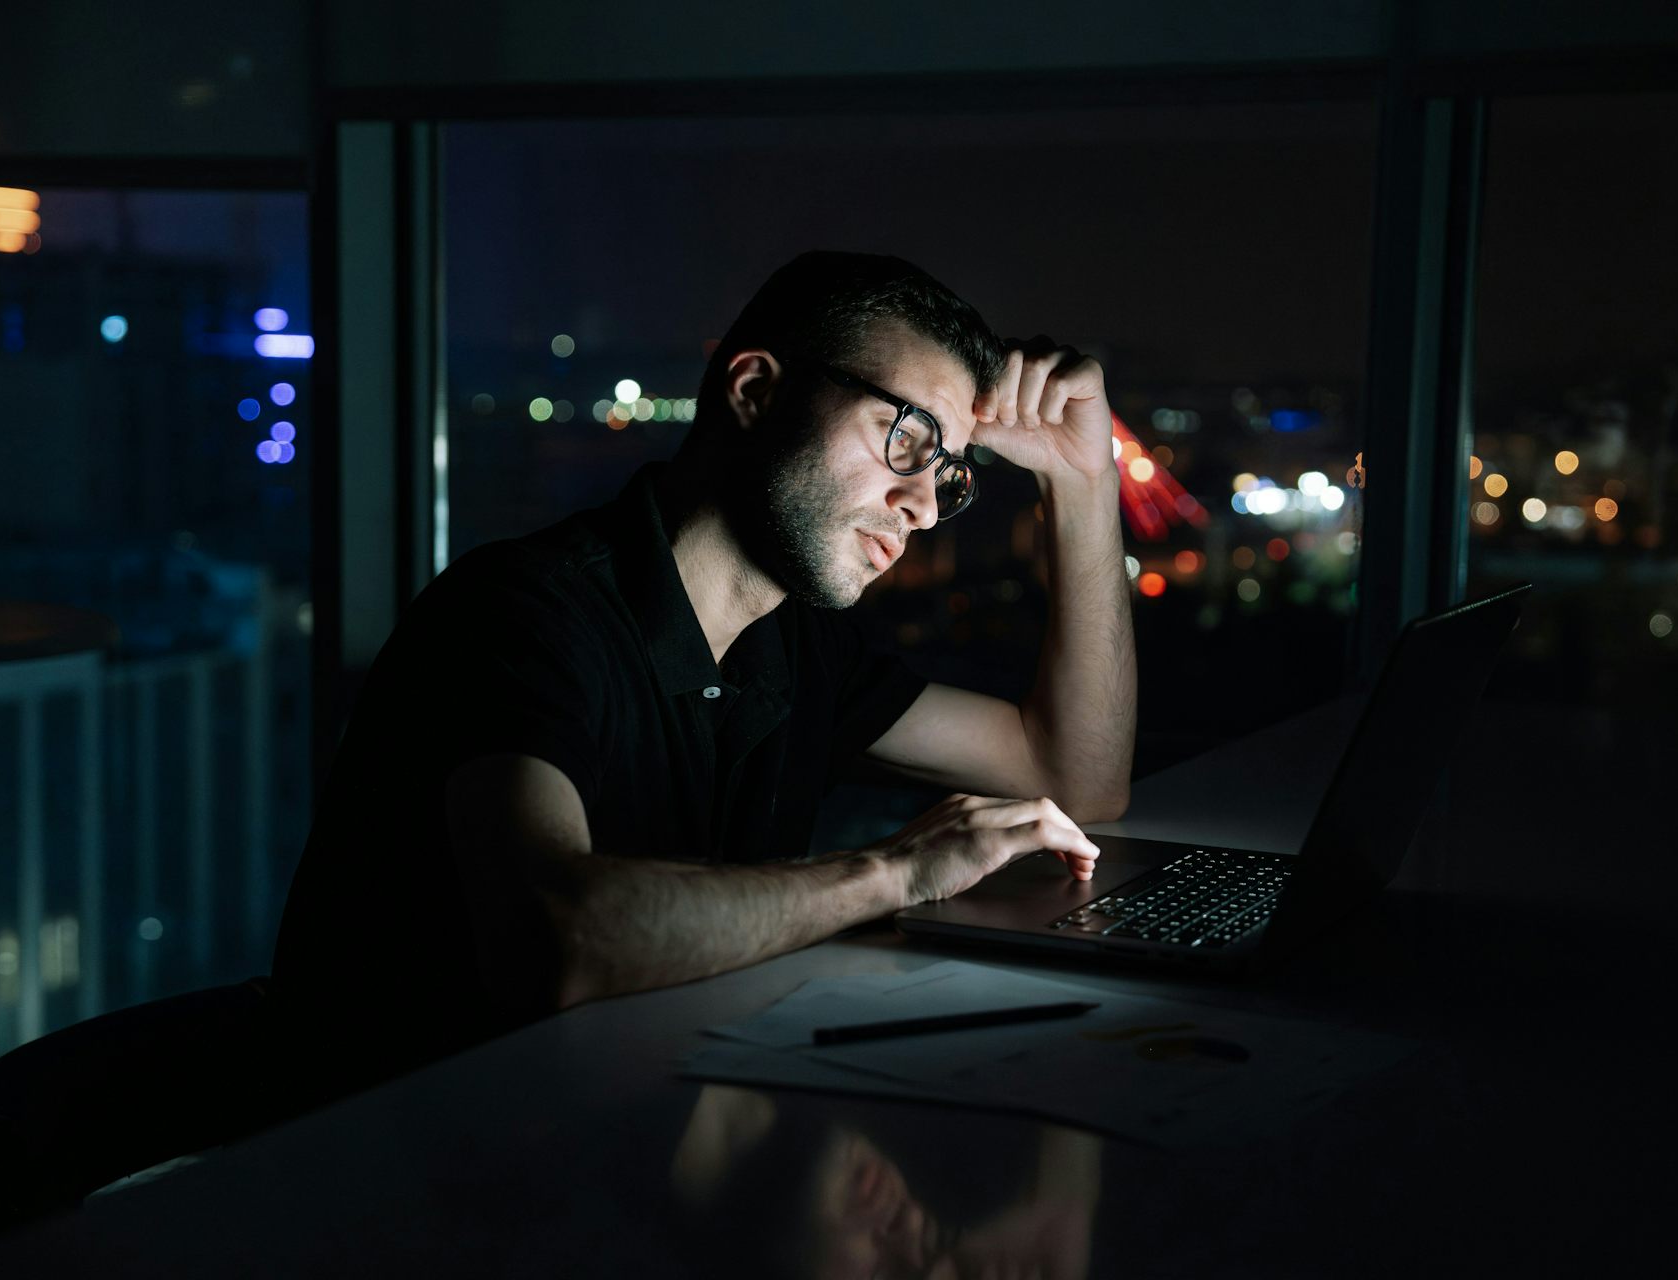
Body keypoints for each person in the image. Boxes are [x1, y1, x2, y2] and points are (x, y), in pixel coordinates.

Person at [270, 251, 1136, 1096]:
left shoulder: (795, 644)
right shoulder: (516, 617)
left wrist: (1085, 482)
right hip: (399, 1179)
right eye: (904, 438)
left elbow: (1077, 777)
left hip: (616, 1143)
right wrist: (895, 872)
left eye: (947, 474)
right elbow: (555, 938)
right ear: (756, 389)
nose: (921, 506)